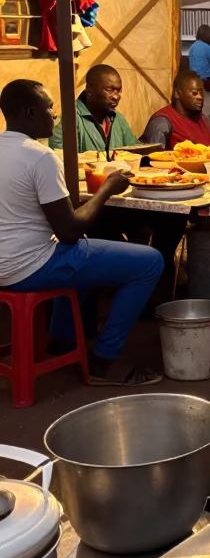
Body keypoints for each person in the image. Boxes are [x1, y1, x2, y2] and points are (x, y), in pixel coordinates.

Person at [0, 80, 163, 386]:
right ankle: (105, 359)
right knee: (149, 262)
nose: (55, 116)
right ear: (31, 112)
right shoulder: (41, 157)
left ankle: (63, 339)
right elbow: (70, 231)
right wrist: (108, 188)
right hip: (29, 267)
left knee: (86, 258)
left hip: (5, 263)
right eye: (50, 108)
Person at [49, 64, 138, 154]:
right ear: (89, 89)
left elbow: (135, 151)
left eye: (118, 91)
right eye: (109, 90)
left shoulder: (117, 118)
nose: (116, 96)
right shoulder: (69, 121)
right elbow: (62, 162)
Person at [142, 70, 210, 151]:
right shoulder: (162, 122)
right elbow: (152, 158)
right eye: (194, 93)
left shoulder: (205, 120)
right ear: (177, 93)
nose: (200, 97)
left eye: (202, 93)